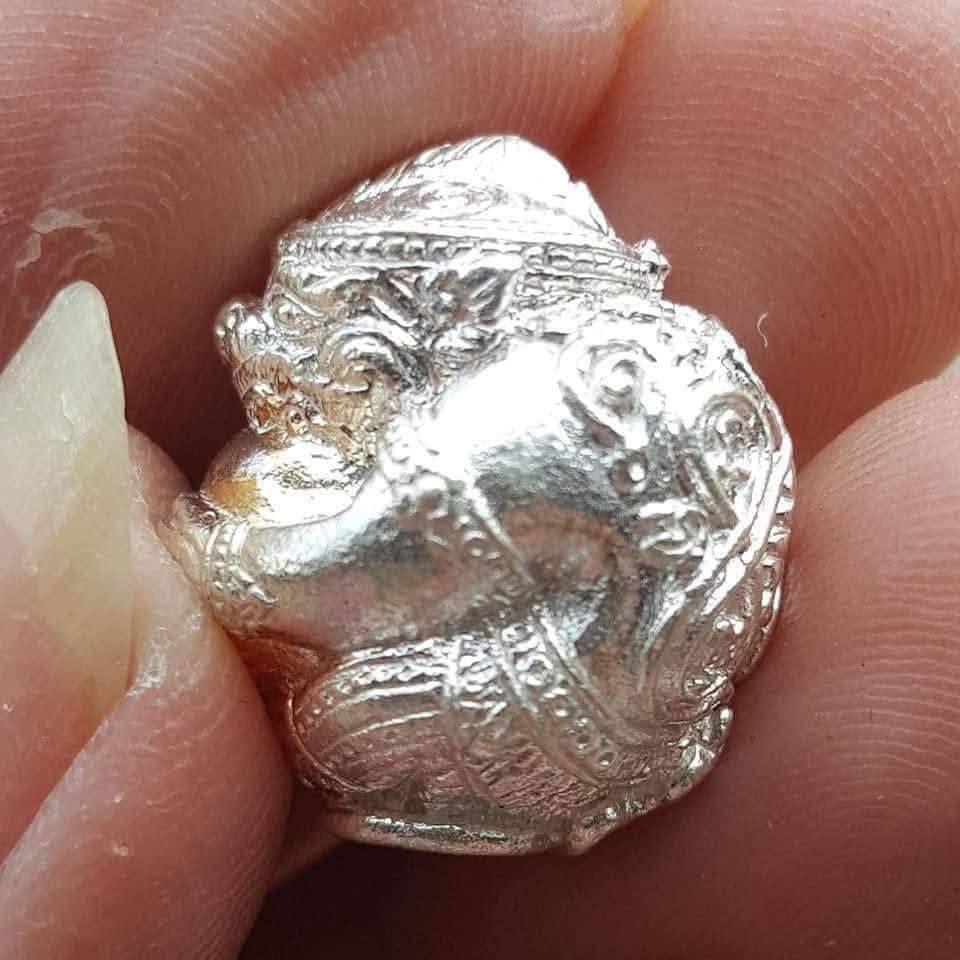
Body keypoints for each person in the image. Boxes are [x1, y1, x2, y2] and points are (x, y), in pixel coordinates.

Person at [0, 1, 958, 957]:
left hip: (544, 713)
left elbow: (276, 576)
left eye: (300, 351)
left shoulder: (590, 382)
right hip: (563, 734)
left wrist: (225, 548)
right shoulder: (600, 374)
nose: (260, 363)